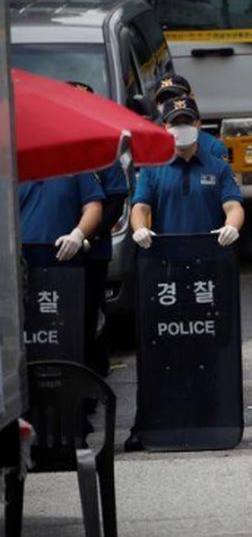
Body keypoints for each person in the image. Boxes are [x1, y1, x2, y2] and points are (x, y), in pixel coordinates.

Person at [126, 96, 244, 451]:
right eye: (174, 122)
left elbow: (234, 204)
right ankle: (157, 419)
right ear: (164, 127)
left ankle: (211, 416)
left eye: (187, 121)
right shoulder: (154, 166)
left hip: (210, 271)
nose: (181, 128)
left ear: (197, 124)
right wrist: (139, 229)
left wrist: (232, 226)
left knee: (211, 344)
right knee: (167, 345)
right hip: (167, 273)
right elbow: (141, 207)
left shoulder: (217, 164)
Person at [68, 81, 129, 375]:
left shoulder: (102, 146)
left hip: (91, 250)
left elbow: (115, 200)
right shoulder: (55, 143)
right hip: (52, 252)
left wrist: (91, 236)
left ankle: (93, 374)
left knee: (91, 313)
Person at [19, 171, 104, 368]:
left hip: (64, 267)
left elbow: (94, 207)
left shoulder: (75, 166)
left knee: (67, 334)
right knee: (27, 333)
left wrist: (78, 233)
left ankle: (72, 390)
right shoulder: (12, 167)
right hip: (21, 268)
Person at [152, 75, 229, 162]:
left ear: (191, 96)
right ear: (157, 106)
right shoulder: (151, 148)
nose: (171, 104)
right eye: (164, 100)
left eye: (176, 97)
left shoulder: (213, 148)